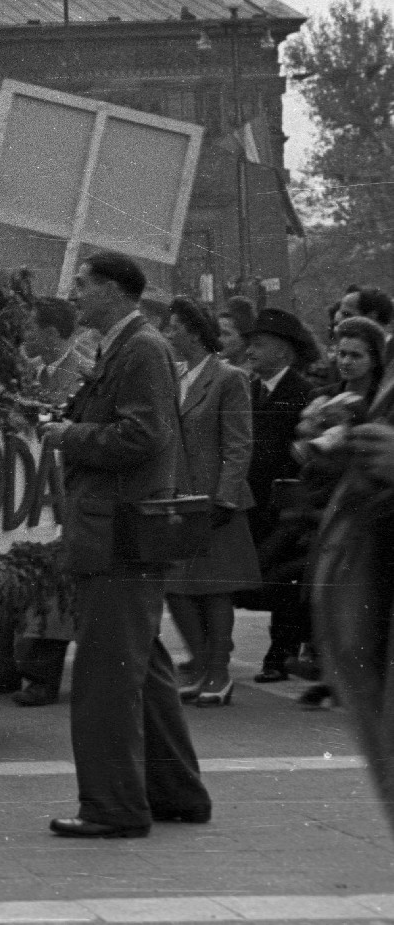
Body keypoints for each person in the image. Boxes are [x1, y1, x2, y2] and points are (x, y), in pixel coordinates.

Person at [41, 250, 211, 839]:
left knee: (106, 677)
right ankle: (178, 793)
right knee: (144, 666)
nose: (76, 295)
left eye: (84, 285)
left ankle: (113, 807)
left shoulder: (139, 348)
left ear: (114, 289)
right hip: (119, 531)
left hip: (118, 534)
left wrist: (67, 435)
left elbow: (141, 434)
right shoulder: (130, 345)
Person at [0, 297, 96, 698]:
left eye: (31, 328)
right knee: (11, 577)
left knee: (51, 584)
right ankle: (6, 665)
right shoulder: (22, 374)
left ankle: (41, 676)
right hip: (19, 492)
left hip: (60, 493)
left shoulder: (84, 376)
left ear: (49, 332)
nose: (24, 336)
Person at [276, 316, 389, 707]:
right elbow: (310, 458)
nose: (346, 362)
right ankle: (331, 670)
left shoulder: (380, 399)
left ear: (375, 359)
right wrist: (311, 433)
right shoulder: (327, 396)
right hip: (331, 505)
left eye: (356, 354)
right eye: (340, 353)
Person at [162, 296, 259, 707]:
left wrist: (226, 497)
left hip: (214, 501)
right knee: (177, 586)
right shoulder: (175, 377)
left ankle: (217, 674)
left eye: (173, 328)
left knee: (214, 588)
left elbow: (239, 444)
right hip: (176, 499)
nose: (167, 335)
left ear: (193, 332)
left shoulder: (228, 378)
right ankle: (201, 665)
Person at [243, 305, 319, 681]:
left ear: (284, 352)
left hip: (285, 503)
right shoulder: (250, 389)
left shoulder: (303, 393)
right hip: (254, 499)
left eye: (260, 344)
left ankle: (281, 651)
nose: (250, 351)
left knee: (282, 579)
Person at [215, 300, 254, 368]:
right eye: (217, 333)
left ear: (244, 338)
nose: (219, 340)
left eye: (226, 334)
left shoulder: (255, 374)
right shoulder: (218, 369)